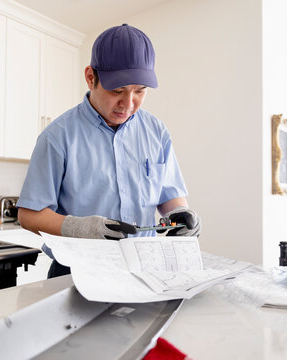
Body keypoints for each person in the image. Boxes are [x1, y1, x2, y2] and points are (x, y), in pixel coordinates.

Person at [16, 24, 202, 278]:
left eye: (139, 91)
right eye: (117, 91)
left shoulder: (157, 132)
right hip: (75, 273)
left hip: (144, 270)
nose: (128, 104)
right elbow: (28, 215)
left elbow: (169, 196)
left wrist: (180, 214)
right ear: (91, 77)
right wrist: (79, 227)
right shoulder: (57, 136)